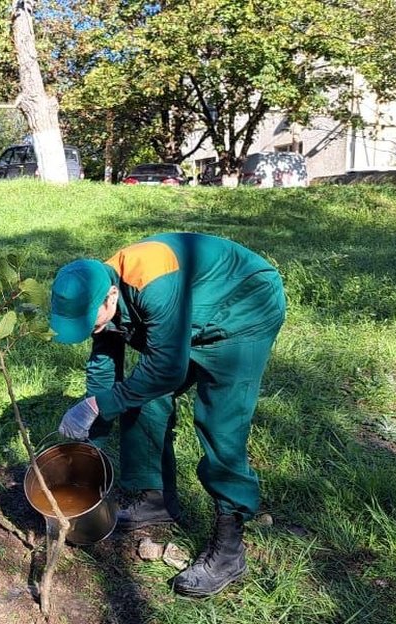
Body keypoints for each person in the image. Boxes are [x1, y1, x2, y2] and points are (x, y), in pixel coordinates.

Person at [50, 232, 286, 598]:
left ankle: (229, 550)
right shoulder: (98, 288)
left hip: (244, 306)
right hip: (188, 315)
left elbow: (166, 370)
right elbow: (104, 369)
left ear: (111, 297)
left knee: (222, 423)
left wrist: (99, 405)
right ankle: (155, 498)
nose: (92, 330)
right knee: (140, 398)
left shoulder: (151, 279)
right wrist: (91, 439)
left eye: (91, 322)